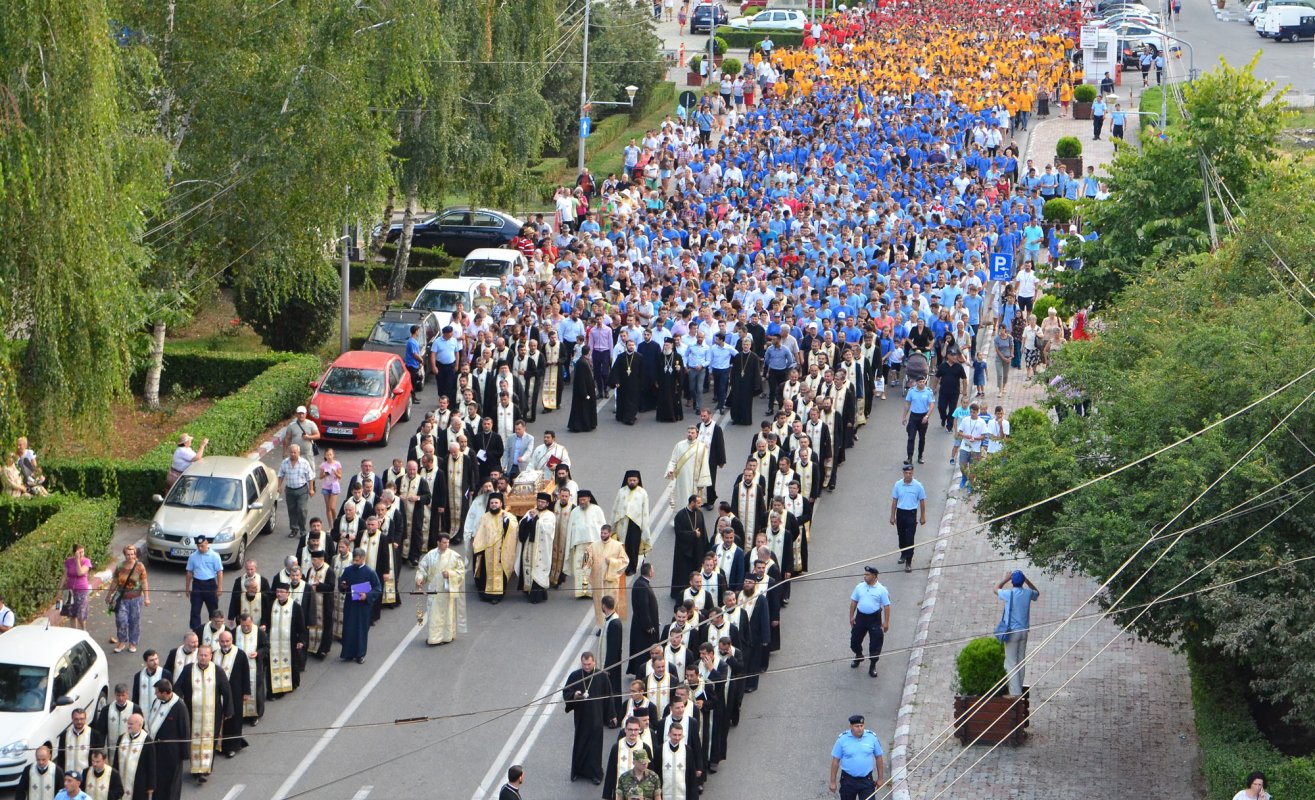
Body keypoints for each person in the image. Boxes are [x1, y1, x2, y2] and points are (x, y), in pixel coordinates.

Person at [173, 644, 233, 784]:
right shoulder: (189, 670)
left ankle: (205, 769)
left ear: (210, 656)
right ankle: (195, 769)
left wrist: (228, 710)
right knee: (194, 740)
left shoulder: (217, 671)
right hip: (192, 713)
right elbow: (178, 688)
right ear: (197, 655)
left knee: (209, 740)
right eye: (201, 655)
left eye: (206, 655)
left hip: (213, 714)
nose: (203, 658)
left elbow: (226, 691)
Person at [563, 651, 616, 785]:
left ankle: (595, 774)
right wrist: (574, 695)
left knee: (595, 747)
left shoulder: (602, 676)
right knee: (580, 744)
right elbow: (566, 691)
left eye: (589, 664)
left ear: (594, 662)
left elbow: (609, 696)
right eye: (584, 664)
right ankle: (578, 771)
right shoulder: (575, 676)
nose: (586, 667)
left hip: (596, 717)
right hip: (581, 717)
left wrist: (612, 715)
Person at [416, 533, 467, 645]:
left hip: (447, 591)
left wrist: (450, 574)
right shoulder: (430, 555)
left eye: (448, 542)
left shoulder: (454, 556)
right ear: (438, 542)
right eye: (444, 542)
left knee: (447, 614)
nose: (446, 545)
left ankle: (447, 636)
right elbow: (423, 568)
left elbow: (461, 572)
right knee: (433, 613)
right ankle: (434, 638)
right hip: (433, 590)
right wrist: (420, 578)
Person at [995, 570, 1040, 695]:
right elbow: (1037, 592)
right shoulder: (1028, 593)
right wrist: (1026, 579)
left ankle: (1015, 694)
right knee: (1021, 662)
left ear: (1013, 582)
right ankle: (1018, 689)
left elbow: (995, 589)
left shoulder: (1009, 594)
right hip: (1024, 632)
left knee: (1011, 663)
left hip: (1012, 633)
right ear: (1022, 582)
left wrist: (1006, 579)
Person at [146, 680, 190, 800]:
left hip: (171, 753)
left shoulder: (179, 707)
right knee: (157, 779)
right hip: (156, 749)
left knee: (170, 782)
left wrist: (184, 754)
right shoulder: (157, 701)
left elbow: (184, 730)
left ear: (165, 693)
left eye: (157, 692)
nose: (155, 694)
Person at [338, 547, 382, 663]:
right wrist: (342, 585)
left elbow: (378, 588)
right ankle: (348, 653)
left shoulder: (370, 572)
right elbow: (342, 583)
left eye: (357, 560)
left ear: (363, 559)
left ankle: (360, 654)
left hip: (363, 606)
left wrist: (366, 596)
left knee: (361, 630)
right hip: (350, 604)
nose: (355, 563)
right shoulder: (348, 570)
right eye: (354, 560)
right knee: (348, 628)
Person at [472, 491, 518, 603]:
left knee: (499, 573)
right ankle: (485, 595)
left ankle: (497, 596)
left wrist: (506, 521)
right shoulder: (484, 517)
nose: (494, 505)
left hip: (500, 551)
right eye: (492, 503)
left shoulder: (508, 516)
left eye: (496, 503)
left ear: (501, 504)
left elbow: (514, 528)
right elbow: (480, 533)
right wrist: (478, 548)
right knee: (485, 573)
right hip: (486, 551)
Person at [828, 714, 886, 800]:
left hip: (866, 780)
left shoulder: (872, 738)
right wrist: (833, 782)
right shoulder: (842, 739)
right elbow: (835, 761)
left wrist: (880, 778)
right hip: (848, 781)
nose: (860, 728)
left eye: (862, 726)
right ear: (851, 726)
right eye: (857, 726)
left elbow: (879, 758)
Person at [213, 631, 251, 758]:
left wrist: (246, 692)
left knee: (234, 720)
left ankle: (232, 746)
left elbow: (246, 674)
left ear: (232, 640)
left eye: (227, 641)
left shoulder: (239, 654)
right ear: (219, 641)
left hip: (235, 693)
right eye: (222, 641)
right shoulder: (214, 654)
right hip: (218, 694)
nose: (225, 644)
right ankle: (219, 744)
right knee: (219, 719)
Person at [849, 566, 891, 678]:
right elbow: (854, 601)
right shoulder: (860, 586)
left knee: (875, 644)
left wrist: (886, 622)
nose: (865, 576)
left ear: (874, 576)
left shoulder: (882, 590)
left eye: (867, 575)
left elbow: (887, 606)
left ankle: (872, 666)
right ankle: (858, 655)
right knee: (854, 641)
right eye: (864, 574)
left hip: (874, 619)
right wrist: (851, 616)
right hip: (860, 618)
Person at [584, 524, 630, 624]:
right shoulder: (594, 545)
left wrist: (612, 562)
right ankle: (601, 626)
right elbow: (588, 561)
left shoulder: (618, 546)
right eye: (601, 533)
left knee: (611, 603)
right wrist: (587, 557)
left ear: (610, 533)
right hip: (598, 580)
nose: (602, 535)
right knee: (598, 604)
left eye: (605, 533)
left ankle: (611, 624)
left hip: (611, 581)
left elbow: (625, 561)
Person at [515, 493, 556, 604]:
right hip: (528, 547)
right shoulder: (530, 511)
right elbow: (521, 524)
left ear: (547, 503)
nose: (540, 504)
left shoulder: (550, 515)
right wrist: (528, 519)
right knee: (527, 568)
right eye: (539, 501)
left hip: (541, 549)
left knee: (538, 571)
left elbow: (547, 530)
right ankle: (528, 590)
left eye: (543, 502)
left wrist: (536, 519)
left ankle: (537, 595)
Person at [108, 545, 149, 653]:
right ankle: (121, 642)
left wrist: (146, 597)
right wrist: (109, 595)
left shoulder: (140, 566)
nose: (130, 556)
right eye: (128, 554)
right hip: (121, 599)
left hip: (135, 599)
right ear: (124, 555)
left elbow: (144, 582)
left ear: (135, 554)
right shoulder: (120, 566)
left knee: (134, 621)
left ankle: (132, 643)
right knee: (121, 621)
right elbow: (115, 582)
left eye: (132, 554)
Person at [267, 585, 307, 695]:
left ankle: (291, 684)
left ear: (288, 593)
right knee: (273, 664)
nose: (279, 594)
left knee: (291, 663)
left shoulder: (295, 607)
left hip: (290, 641)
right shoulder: (271, 605)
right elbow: (265, 620)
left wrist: (301, 641)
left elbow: (301, 626)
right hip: (273, 642)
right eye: (277, 591)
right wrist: (263, 626)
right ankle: (274, 690)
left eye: (281, 591)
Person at [665, 426, 711, 520]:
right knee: (681, 499)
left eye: (692, 433)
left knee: (693, 500)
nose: (690, 434)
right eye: (689, 432)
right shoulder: (679, 445)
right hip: (682, 480)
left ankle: (692, 520)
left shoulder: (702, 447)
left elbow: (705, 465)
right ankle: (679, 520)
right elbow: (673, 460)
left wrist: (702, 482)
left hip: (695, 480)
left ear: (697, 434)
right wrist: (670, 470)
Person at [611, 470, 651, 577]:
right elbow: (615, 508)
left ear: (638, 480)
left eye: (634, 480)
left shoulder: (642, 493)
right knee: (622, 545)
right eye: (630, 480)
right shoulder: (621, 491)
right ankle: (621, 565)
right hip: (622, 523)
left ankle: (631, 567)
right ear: (627, 480)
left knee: (633, 546)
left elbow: (645, 512)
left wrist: (645, 527)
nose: (632, 482)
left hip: (635, 524)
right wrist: (612, 526)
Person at [889, 464, 927, 572]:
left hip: (911, 514)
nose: (908, 475)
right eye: (906, 473)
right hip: (900, 513)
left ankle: (909, 562)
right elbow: (895, 501)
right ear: (903, 473)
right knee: (901, 536)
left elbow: (922, 501)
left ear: (913, 473)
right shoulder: (898, 485)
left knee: (910, 539)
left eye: (910, 473)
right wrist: (892, 516)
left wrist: (922, 516)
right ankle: (903, 554)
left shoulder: (918, 485)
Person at [669, 494, 707, 601]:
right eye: (698, 503)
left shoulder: (699, 513)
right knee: (683, 573)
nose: (700, 505)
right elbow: (679, 533)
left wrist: (705, 548)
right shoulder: (680, 515)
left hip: (696, 549)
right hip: (683, 550)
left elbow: (703, 530)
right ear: (692, 503)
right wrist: (693, 534)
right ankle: (681, 594)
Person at [651, 722, 700, 800]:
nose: (677, 738)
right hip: (664, 793)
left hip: (682, 794)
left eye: (679, 735)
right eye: (674, 735)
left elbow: (691, 776)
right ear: (669, 734)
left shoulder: (687, 750)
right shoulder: (660, 750)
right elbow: (655, 773)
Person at [184, 536, 224, 631]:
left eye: (202, 546)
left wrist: (219, 587)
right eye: (198, 546)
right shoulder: (193, 556)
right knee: (195, 610)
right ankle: (196, 631)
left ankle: (214, 629)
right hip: (197, 584)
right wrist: (187, 588)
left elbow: (219, 572)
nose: (200, 548)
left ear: (207, 544)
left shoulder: (214, 556)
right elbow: (189, 573)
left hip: (210, 584)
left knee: (213, 610)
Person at [92, 684, 139, 764]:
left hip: (129, 747)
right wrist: (100, 749)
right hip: (112, 749)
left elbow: (139, 729)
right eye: (118, 695)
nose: (121, 698)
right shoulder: (107, 710)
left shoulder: (134, 709)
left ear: (127, 695)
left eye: (123, 695)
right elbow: (101, 732)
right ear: (115, 695)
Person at [278, 443, 316, 541]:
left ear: (299, 452)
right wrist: (279, 486)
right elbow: (281, 475)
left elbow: (310, 477)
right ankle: (294, 529)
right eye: (291, 452)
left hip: (302, 490)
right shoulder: (285, 463)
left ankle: (303, 530)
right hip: (290, 490)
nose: (293, 454)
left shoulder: (304, 463)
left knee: (302, 509)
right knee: (291, 510)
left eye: (295, 452)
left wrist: (311, 489)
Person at [596, 594, 625, 719]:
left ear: (603, 605)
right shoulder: (609, 620)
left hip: (611, 667)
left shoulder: (614, 624)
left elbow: (613, 649)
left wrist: (608, 668)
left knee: (612, 690)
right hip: (607, 665)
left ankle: (613, 715)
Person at [115, 713, 155, 800]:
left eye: (131, 724)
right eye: (128, 723)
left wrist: (150, 786)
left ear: (140, 725)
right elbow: (116, 760)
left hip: (138, 783)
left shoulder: (147, 741)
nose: (128, 726)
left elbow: (151, 765)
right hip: (121, 780)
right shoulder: (122, 738)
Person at [60, 543, 93, 631]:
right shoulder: (69, 561)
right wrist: (59, 589)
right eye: (79, 552)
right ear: (74, 552)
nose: (82, 554)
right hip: (69, 590)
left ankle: (84, 631)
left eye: (83, 552)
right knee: (71, 614)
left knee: (80, 615)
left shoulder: (86, 561)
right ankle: (74, 631)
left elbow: (80, 572)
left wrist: (78, 560)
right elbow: (64, 576)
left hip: (81, 590)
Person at [610, 340, 644, 425]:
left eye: (633, 345)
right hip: (623, 383)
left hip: (634, 383)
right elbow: (615, 370)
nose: (631, 347)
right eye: (629, 345)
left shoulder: (639, 357)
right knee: (623, 400)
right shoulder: (621, 357)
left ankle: (630, 418)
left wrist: (641, 383)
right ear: (626, 346)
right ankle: (622, 415)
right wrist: (616, 381)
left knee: (633, 401)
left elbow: (642, 371)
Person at [902, 375, 934, 464]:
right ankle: (909, 457)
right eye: (920, 382)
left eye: (923, 381)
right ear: (916, 383)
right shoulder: (911, 391)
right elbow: (907, 404)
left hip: (923, 416)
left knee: (922, 438)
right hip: (913, 417)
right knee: (911, 437)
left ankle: (920, 456)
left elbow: (931, 405)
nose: (922, 383)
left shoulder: (928, 392)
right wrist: (904, 416)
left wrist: (927, 416)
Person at [568, 345, 598, 433]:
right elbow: (581, 379)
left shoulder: (584, 361)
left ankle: (588, 424)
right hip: (584, 390)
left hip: (587, 389)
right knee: (582, 408)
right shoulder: (582, 362)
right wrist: (584, 393)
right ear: (589, 352)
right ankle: (581, 425)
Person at [319, 448, 343, 527]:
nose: (329, 456)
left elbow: (340, 477)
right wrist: (325, 474)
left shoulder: (337, 464)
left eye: (330, 454)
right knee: (328, 508)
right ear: (325, 456)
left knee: (332, 507)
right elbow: (320, 477)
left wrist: (335, 472)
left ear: (333, 455)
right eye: (327, 455)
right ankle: (330, 526)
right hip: (326, 487)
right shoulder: (323, 465)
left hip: (334, 487)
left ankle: (336, 522)